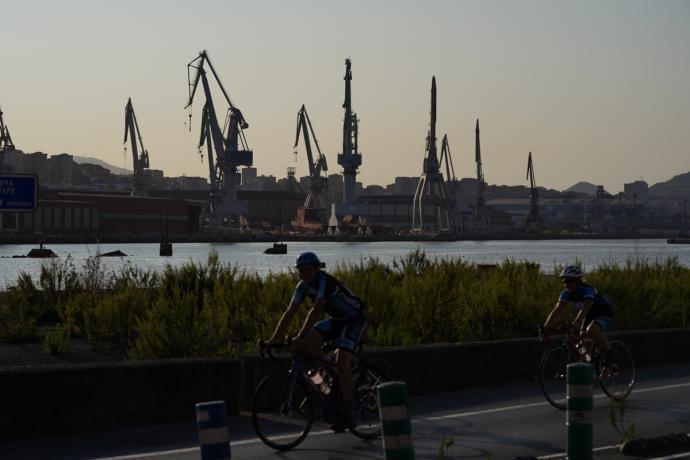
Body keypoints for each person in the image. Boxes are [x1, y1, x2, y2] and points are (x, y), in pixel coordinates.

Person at [268, 251, 367, 431]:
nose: (305, 274)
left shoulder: (324, 281)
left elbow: (315, 310)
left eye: (308, 270)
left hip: (354, 319)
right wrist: (273, 339)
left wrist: (300, 336)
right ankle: (330, 381)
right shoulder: (302, 286)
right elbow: (290, 312)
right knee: (309, 351)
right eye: (301, 271)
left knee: (341, 362)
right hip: (337, 320)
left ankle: (349, 412)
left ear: (316, 269)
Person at [544, 265, 615, 368]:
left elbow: (586, 308)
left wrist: (577, 321)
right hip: (588, 316)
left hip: (604, 313)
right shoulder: (566, 293)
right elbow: (557, 310)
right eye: (564, 282)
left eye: (569, 282)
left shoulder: (588, 290)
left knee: (592, 330)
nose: (566, 285)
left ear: (578, 281)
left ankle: (610, 359)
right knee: (573, 340)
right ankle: (588, 360)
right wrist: (545, 327)